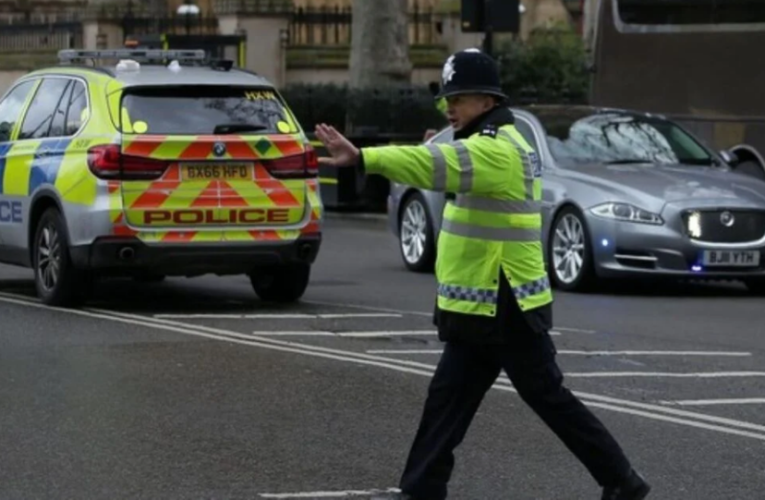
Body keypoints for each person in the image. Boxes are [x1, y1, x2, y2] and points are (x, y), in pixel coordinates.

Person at [314, 49, 650, 500]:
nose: (450, 107)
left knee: (545, 397)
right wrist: (439, 141)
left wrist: (363, 157)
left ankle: (622, 480)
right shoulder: (492, 141)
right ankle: (421, 489)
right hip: (484, 300)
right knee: (449, 398)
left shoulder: (497, 150)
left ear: (488, 101)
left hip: (504, 300)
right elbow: (449, 159)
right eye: (448, 99)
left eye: (461, 98)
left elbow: (437, 166)